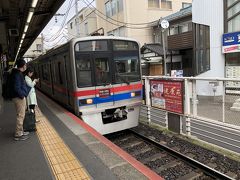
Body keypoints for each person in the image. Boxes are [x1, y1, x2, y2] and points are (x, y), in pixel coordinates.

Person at [11, 59, 31, 141]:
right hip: (19, 98)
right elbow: (16, 87)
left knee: (21, 114)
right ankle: (18, 134)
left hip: (18, 97)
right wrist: (22, 95)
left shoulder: (17, 73)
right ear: (23, 66)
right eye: (25, 64)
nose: (26, 66)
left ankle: (21, 131)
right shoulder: (17, 74)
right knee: (20, 115)